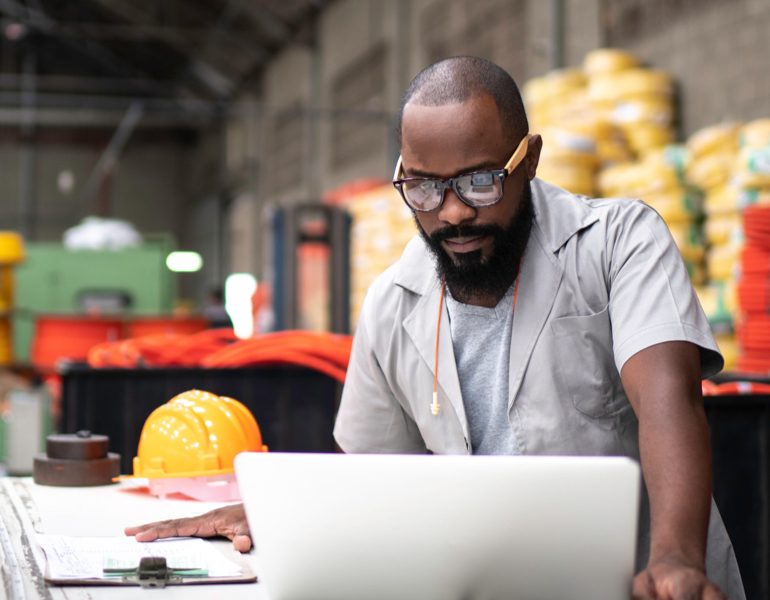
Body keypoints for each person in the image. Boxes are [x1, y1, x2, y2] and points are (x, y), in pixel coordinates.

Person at [126, 57, 744, 600]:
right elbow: (375, 481)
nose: (451, 212)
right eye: (422, 187)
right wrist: (280, 515)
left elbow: (669, 402)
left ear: (527, 160)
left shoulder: (617, 243)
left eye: (480, 182)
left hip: (644, 584)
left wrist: (675, 558)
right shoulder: (393, 303)